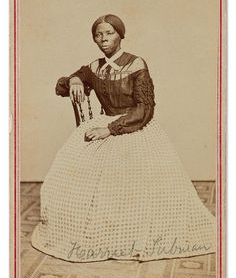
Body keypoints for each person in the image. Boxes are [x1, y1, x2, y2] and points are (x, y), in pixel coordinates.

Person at [31, 14, 216, 263]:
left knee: (133, 183)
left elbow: (145, 109)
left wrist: (110, 129)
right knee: (64, 177)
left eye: (109, 33)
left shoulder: (136, 64)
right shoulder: (95, 67)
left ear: (120, 35)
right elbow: (64, 85)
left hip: (134, 128)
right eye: (98, 34)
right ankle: (99, 235)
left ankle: (130, 236)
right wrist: (75, 79)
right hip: (102, 123)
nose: (103, 39)